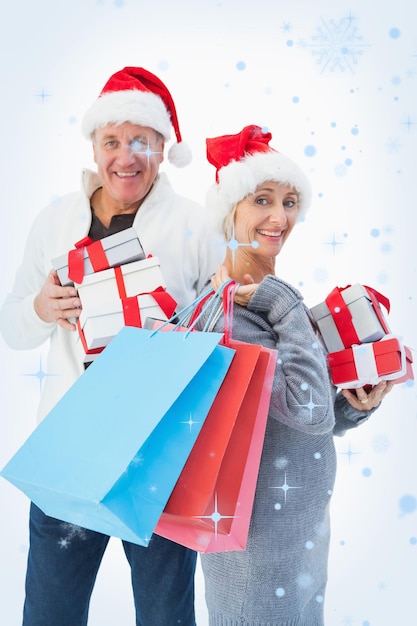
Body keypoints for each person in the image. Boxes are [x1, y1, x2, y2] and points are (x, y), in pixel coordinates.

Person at [0, 67, 223, 626]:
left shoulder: (196, 226)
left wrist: (192, 324)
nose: (127, 157)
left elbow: (228, 337)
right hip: (68, 448)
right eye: (112, 141)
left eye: (141, 141)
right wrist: (40, 309)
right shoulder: (55, 221)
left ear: (163, 146)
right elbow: (13, 327)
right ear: (95, 146)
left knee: (165, 615)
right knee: (50, 611)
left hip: (160, 455)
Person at [195, 125, 394, 626]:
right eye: (262, 199)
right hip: (258, 558)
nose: (279, 217)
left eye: (289, 201)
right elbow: (307, 411)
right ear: (230, 212)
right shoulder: (234, 314)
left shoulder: (260, 297)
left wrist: (353, 406)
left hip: (298, 542)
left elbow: (303, 417)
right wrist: (285, 302)